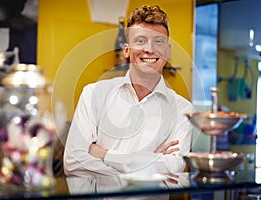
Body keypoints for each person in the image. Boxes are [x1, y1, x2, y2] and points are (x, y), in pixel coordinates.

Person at [64, 5, 193, 176]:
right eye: (140, 41)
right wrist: (149, 163)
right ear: (126, 49)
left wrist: (103, 155)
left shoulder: (183, 110)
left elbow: (173, 167)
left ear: (168, 51)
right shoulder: (94, 94)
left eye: (158, 41)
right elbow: (73, 162)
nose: (150, 49)